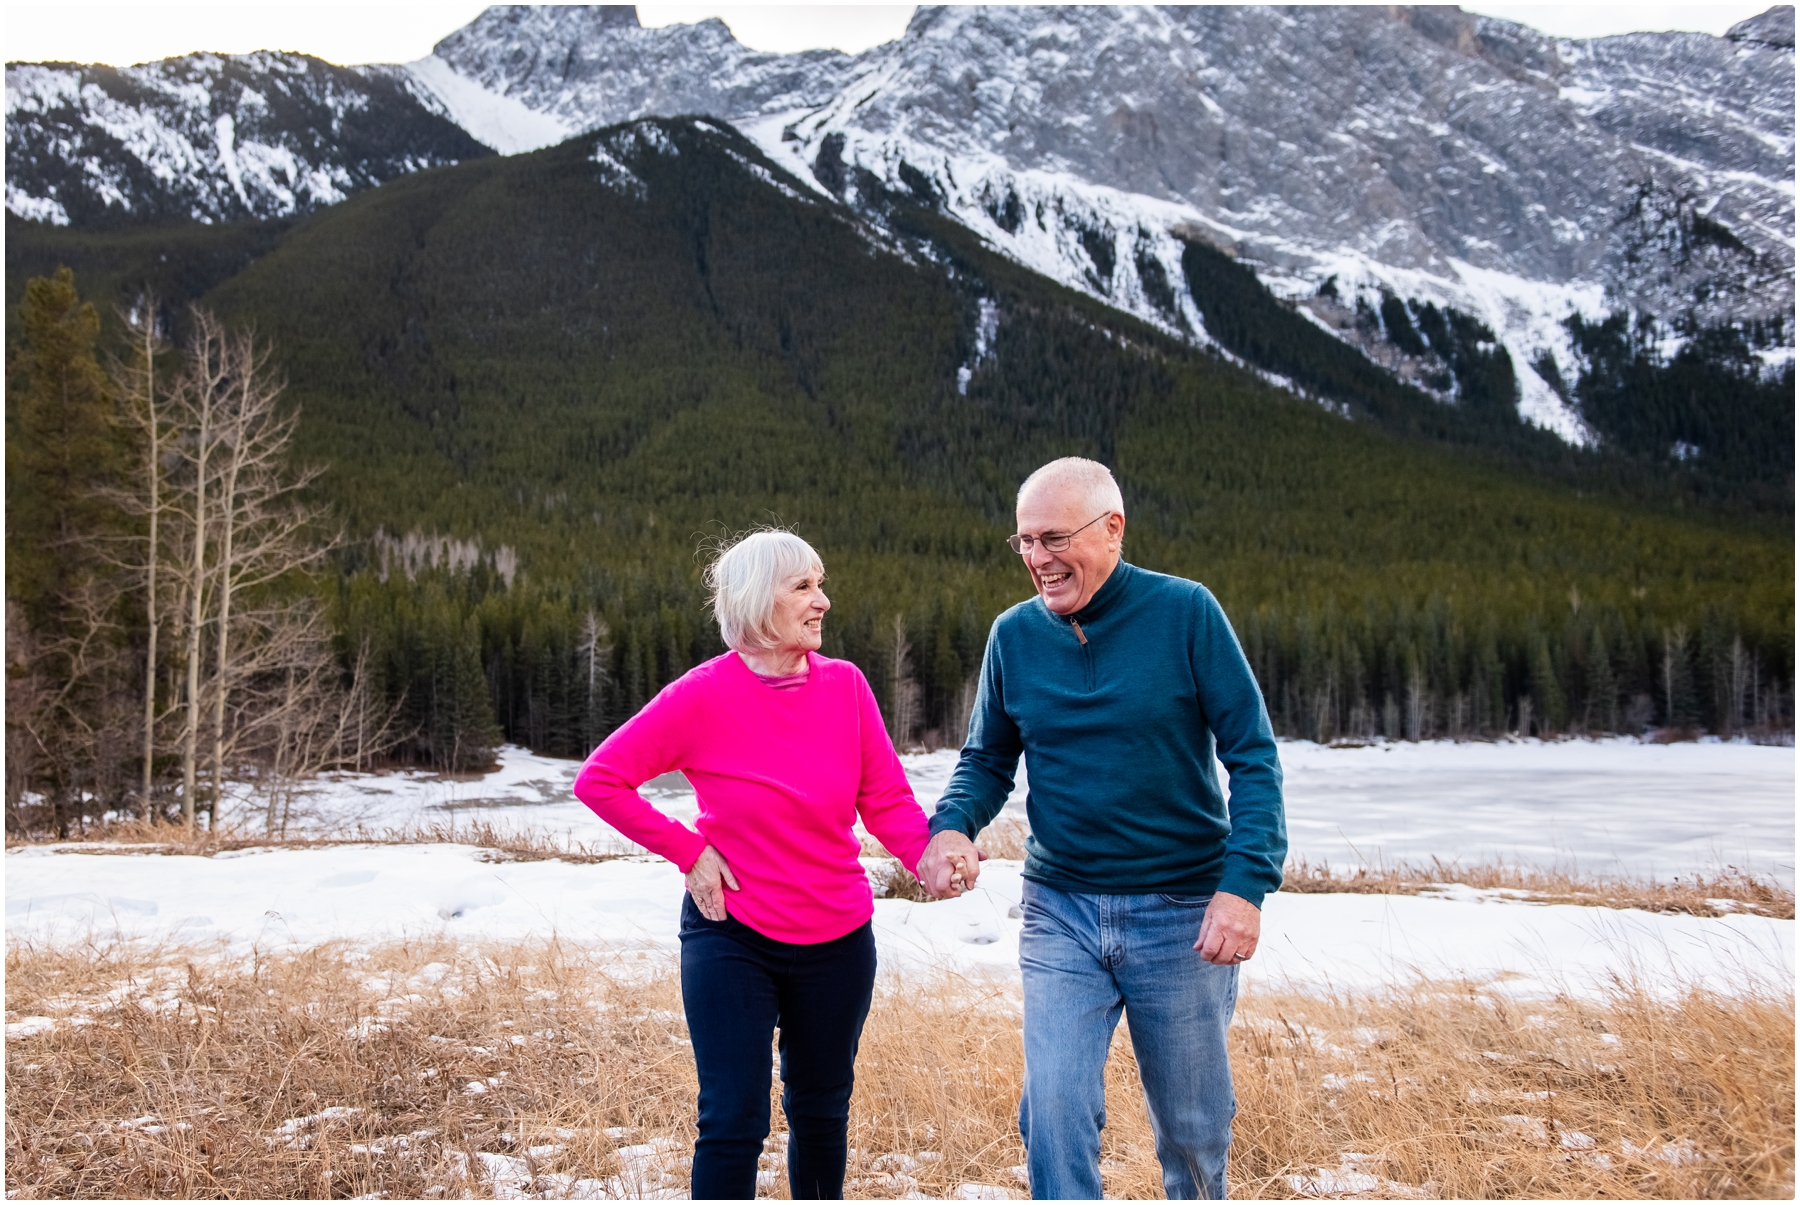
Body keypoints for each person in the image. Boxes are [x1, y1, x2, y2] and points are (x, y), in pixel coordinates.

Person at [918, 457, 1286, 1200]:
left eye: (1052, 538)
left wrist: (1244, 886)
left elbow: (1253, 756)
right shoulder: (1013, 637)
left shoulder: (1186, 613)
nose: (1036, 560)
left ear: (1112, 528)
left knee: (1193, 1129)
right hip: (1062, 908)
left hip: (1181, 911)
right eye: (1022, 541)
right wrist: (951, 826)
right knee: (1053, 1109)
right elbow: (987, 758)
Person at [574, 529, 930, 1200]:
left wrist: (929, 856)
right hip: (731, 932)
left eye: (820, 584)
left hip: (838, 938)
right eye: (803, 586)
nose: (822, 600)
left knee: (821, 1111)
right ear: (755, 601)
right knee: (733, 1117)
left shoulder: (847, 687)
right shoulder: (703, 694)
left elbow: (884, 798)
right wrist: (688, 849)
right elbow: (601, 779)